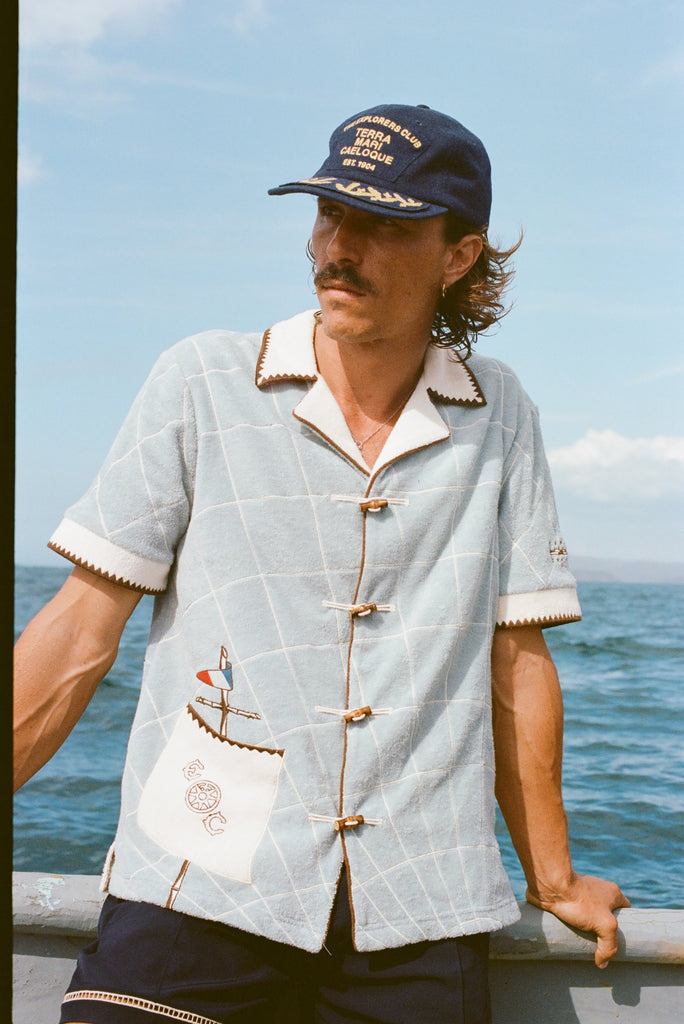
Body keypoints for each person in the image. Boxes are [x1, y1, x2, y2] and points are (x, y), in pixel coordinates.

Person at [14, 103, 629, 1024]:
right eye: (329, 213)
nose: (339, 245)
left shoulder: (502, 414)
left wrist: (554, 873)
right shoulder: (203, 382)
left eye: (382, 224)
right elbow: (76, 634)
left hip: (420, 907)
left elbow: (516, 661)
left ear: (459, 256)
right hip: (198, 884)